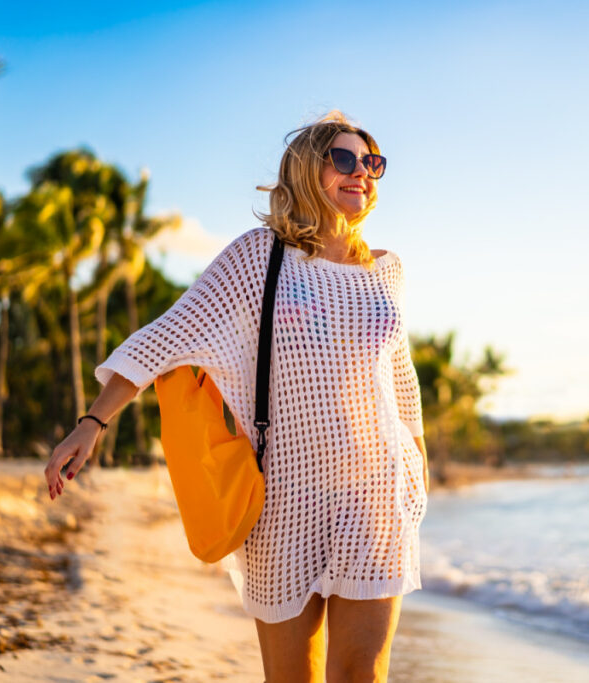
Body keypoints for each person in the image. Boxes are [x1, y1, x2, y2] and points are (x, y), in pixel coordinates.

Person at [43, 110, 430, 683]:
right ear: (305, 171)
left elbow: (401, 377)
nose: (362, 174)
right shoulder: (259, 257)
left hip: (377, 500)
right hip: (285, 501)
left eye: (372, 163)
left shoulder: (386, 271)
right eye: (344, 159)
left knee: (363, 675)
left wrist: (418, 467)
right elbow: (164, 339)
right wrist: (91, 423)